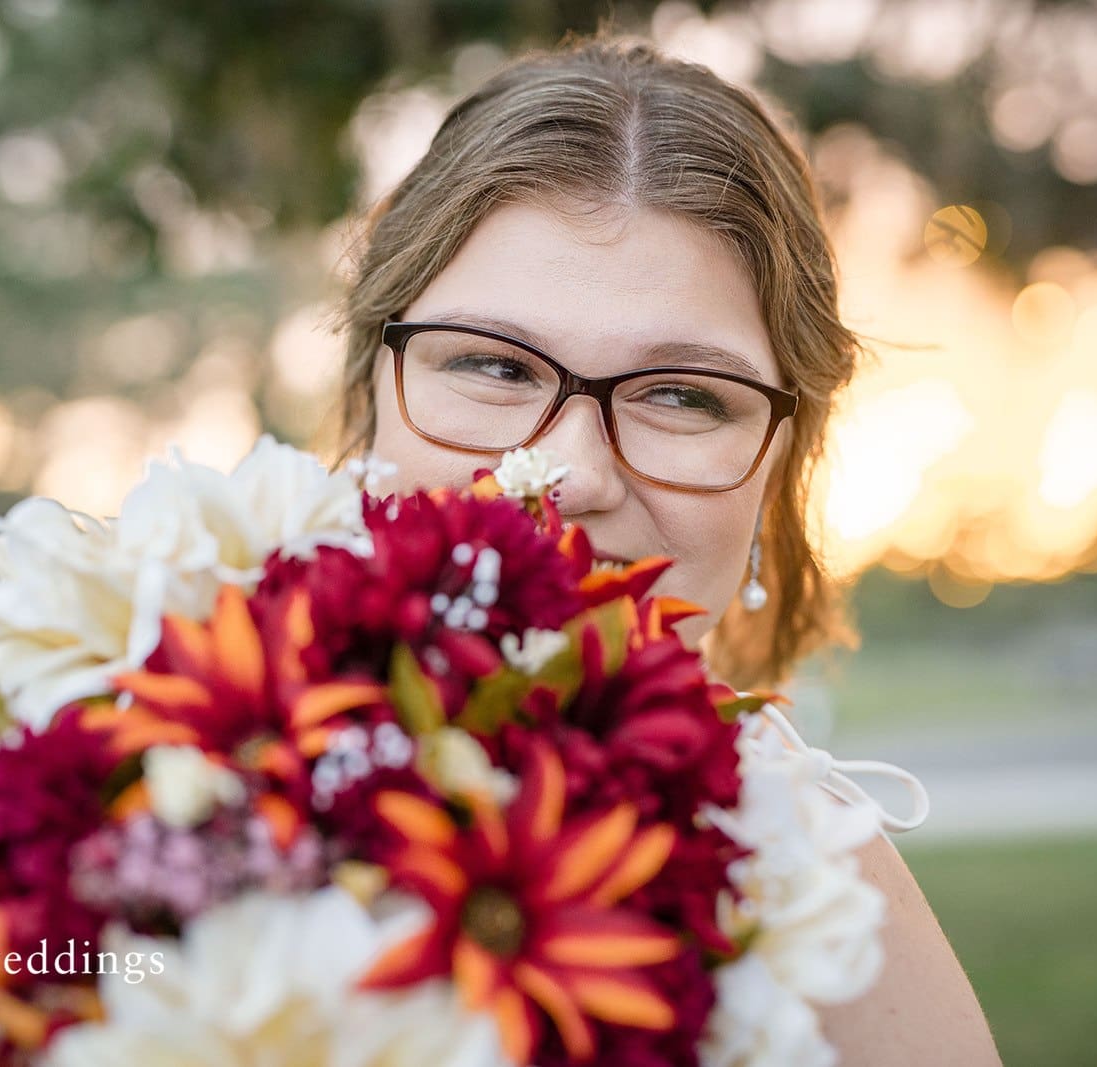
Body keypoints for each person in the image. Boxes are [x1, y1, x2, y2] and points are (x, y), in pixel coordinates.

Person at [326, 30, 1002, 1066]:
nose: (569, 476)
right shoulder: (144, 754)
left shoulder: (812, 890)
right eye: (495, 367)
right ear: (368, 387)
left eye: (682, 394)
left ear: (783, 463)